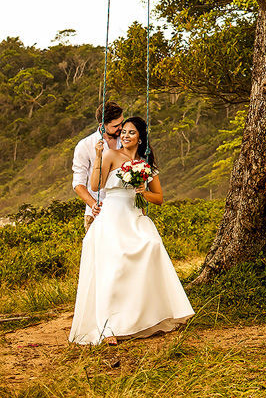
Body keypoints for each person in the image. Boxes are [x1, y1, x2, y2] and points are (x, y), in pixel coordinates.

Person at [69, 115, 194, 346]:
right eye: (123, 132)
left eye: (131, 133)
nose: (125, 136)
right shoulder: (109, 154)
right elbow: (96, 185)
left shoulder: (145, 163)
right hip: (112, 216)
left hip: (134, 215)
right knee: (115, 266)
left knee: (151, 247)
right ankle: (108, 328)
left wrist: (141, 191)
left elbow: (159, 198)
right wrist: (97, 155)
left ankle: (147, 316)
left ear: (140, 138)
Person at [72, 102, 124, 231]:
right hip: (96, 214)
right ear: (102, 126)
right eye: (116, 126)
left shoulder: (126, 141)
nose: (121, 128)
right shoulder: (85, 145)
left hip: (124, 211)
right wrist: (93, 204)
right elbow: (78, 184)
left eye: (122, 123)